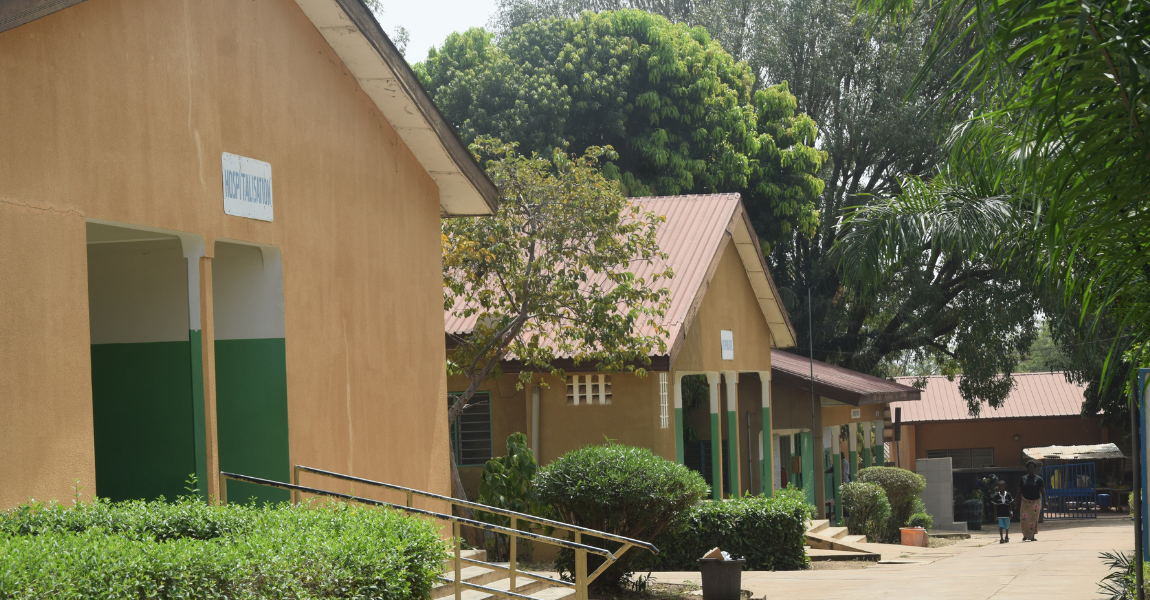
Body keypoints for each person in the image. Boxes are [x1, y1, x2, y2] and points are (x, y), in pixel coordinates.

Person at [1019, 460, 1047, 541]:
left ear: (1034, 469)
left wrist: (1046, 500)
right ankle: (1025, 535)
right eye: (1029, 468)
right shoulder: (1023, 479)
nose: (1030, 469)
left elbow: (1042, 491)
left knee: (1033, 519)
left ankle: (1032, 536)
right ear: (1027, 469)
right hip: (1025, 501)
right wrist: (1016, 500)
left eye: (1032, 468)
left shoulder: (1038, 479)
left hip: (1035, 502)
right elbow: (1019, 490)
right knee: (1024, 519)